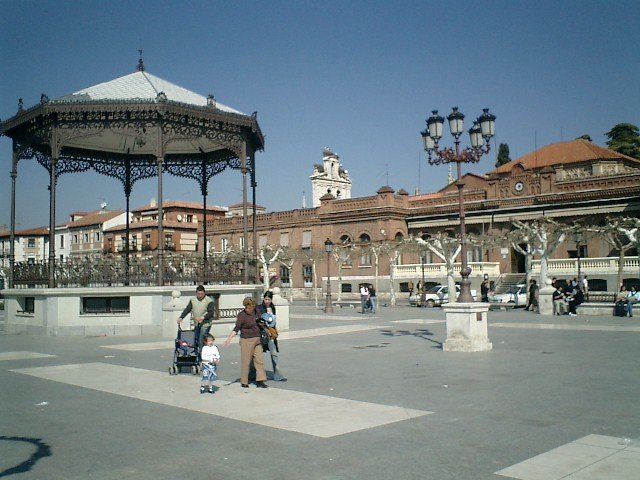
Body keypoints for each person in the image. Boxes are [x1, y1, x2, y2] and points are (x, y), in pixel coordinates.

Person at [223, 297, 268, 388]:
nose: (248, 310)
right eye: (246, 308)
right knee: (246, 361)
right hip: (246, 340)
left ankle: (260, 380)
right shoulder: (242, 315)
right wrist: (229, 339)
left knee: (259, 360)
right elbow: (237, 328)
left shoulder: (257, 312)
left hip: (257, 339)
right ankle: (244, 381)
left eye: (250, 308)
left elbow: (261, 322)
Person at [256, 291, 286, 382]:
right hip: (262, 334)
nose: (267, 301)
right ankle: (255, 374)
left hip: (271, 334)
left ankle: (277, 375)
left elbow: (274, 320)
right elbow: (258, 320)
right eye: (266, 299)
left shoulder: (273, 307)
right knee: (257, 355)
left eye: (269, 299)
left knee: (274, 354)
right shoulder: (259, 308)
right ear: (263, 299)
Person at [177, 285, 215, 351]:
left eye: (202, 294)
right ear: (196, 293)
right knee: (195, 339)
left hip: (205, 324)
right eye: (198, 294)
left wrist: (203, 317)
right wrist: (181, 317)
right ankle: (197, 354)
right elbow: (188, 309)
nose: (200, 295)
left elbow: (211, 313)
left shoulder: (209, 301)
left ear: (204, 293)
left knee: (201, 340)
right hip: (197, 324)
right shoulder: (193, 300)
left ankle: (202, 357)